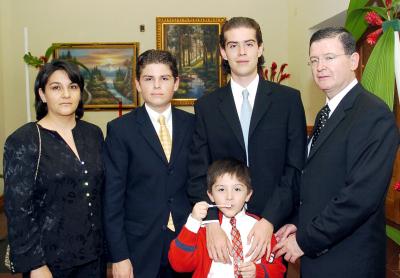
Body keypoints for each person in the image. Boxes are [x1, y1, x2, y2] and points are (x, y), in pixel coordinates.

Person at [274, 27, 399, 277]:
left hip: (349, 262)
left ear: (354, 60)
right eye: (314, 60)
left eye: (329, 57)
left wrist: (304, 241)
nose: (320, 66)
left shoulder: (373, 115)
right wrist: (298, 224)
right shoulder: (325, 114)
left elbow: (358, 198)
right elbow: (318, 184)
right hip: (319, 259)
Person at [187, 16, 307, 263]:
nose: (241, 52)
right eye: (233, 45)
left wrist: (270, 220)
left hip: (274, 227)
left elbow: (295, 168)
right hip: (220, 232)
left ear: (260, 48)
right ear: (223, 51)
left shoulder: (288, 101)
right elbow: (198, 172)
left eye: (249, 44)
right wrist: (210, 223)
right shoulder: (206, 107)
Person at [3, 59, 106, 277]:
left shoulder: (93, 134)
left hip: (94, 257)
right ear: (42, 95)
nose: (66, 94)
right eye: (56, 87)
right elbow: (18, 210)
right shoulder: (25, 139)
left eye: (73, 87)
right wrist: (35, 265)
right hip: (49, 263)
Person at [103, 49, 194, 278]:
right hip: (140, 246)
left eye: (164, 78)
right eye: (148, 79)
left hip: (187, 240)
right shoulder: (120, 130)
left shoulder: (194, 125)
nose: (156, 86)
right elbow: (112, 197)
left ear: (176, 83)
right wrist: (119, 255)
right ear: (137, 84)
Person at [169, 159, 286, 278]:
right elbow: (179, 264)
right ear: (210, 195)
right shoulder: (203, 230)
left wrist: (258, 271)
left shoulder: (262, 229)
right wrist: (192, 223)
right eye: (221, 189)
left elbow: (278, 270)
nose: (229, 197)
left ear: (248, 194)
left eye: (237, 189)